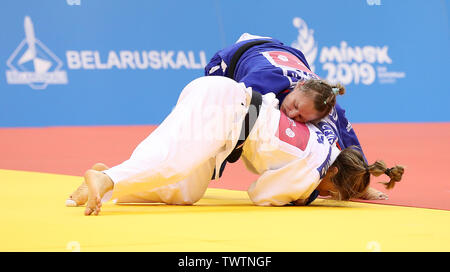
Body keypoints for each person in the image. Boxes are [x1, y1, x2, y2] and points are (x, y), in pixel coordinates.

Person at [65, 76, 403, 216]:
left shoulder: (323, 144)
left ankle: (104, 181)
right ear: (332, 174)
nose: (326, 195)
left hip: (226, 105)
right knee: (173, 161)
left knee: (184, 190)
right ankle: (107, 180)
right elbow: (260, 194)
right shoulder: (312, 172)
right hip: (226, 110)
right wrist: (304, 198)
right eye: (332, 191)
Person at [205, 33, 383, 199]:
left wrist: (361, 183)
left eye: (301, 117)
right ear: (299, 87)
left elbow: (349, 141)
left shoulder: (323, 104)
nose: (291, 114)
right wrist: (232, 149)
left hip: (289, 56)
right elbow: (234, 105)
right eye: (295, 106)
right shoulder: (265, 82)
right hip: (233, 59)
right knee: (224, 117)